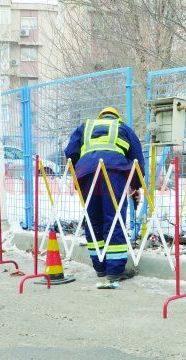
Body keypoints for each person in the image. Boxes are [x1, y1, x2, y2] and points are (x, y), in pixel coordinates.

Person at [64, 107, 145, 284]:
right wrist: (135, 185)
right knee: (114, 217)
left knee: (93, 219)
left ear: (100, 117)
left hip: (86, 173)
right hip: (113, 172)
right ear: (117, 117)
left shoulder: (85, 127)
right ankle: (115, 270)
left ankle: (100, 267)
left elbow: (70, 152)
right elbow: (137, 158)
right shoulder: (123, 129)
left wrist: (83, 167)